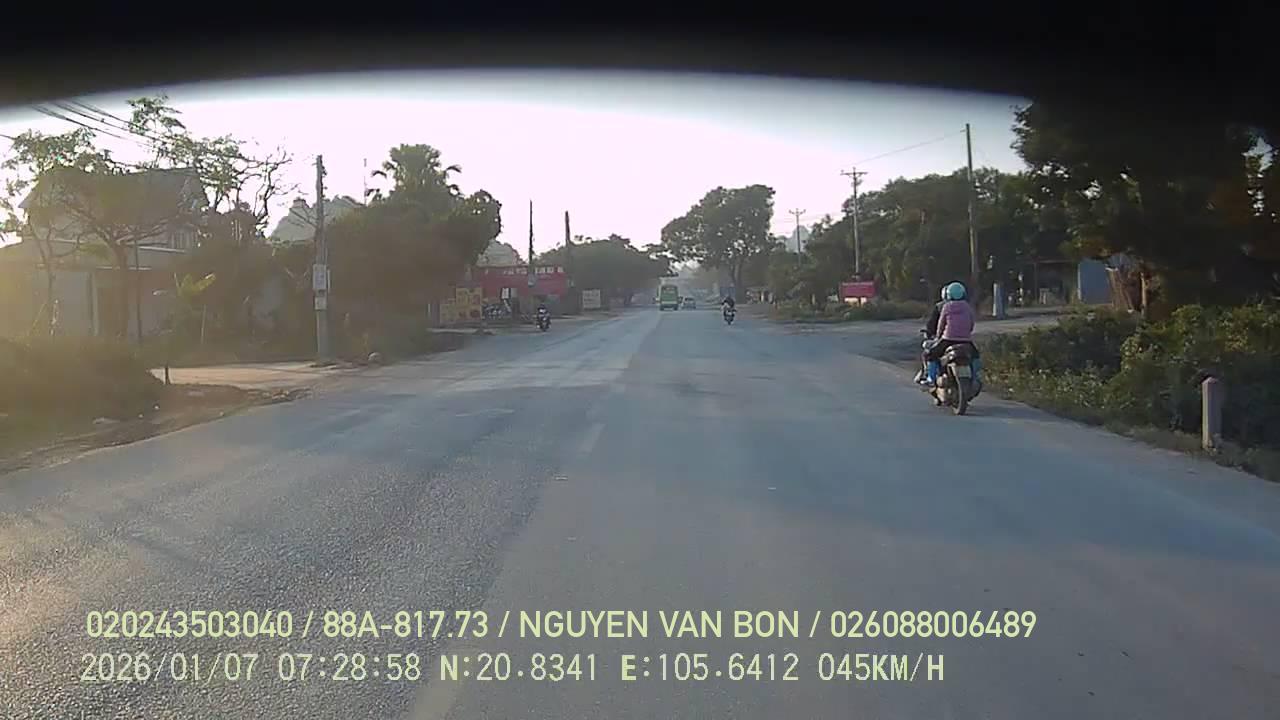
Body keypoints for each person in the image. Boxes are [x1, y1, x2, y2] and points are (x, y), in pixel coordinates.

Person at [921, 281, 979, 385]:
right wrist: (967, 333)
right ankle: (975, 377)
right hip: (966, 340)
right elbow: (971, 323)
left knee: (930, 355)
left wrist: (938, 337)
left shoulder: (947, 307)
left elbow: (941, 324)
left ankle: (931, 378)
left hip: (948, 339)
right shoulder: (967, 306)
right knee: (975, 357)